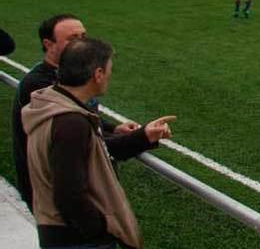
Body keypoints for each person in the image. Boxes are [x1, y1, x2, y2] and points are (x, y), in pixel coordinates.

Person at [23, 37, 175, 249]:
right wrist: (101, 230)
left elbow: (96, 151)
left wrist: (144, 137)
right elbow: (69, 197)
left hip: (61, 233)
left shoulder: (51, 105)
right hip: (77, 240)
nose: (110, 76)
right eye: (109, 70)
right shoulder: (70, 123)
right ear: (98, 74)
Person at [11, 15, 140, 212]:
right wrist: (144, 138)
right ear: (48, 44)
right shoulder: (40, 86)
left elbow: (84, 116)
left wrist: (113, 127)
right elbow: (87, 145)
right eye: (73, 38)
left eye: (84, 36)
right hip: (54, 200)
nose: (82, 43)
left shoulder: (69, 74)